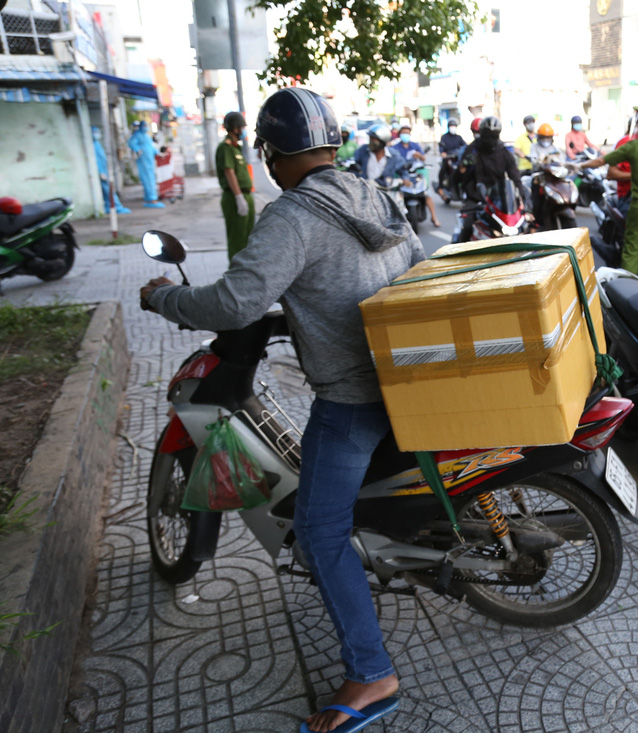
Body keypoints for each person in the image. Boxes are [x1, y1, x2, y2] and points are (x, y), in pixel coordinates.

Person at [140, 87, 417, 733]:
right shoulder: (374, 193)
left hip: (354, 394)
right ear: (333, 143)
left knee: (318, 531)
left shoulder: (293, 215)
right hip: (406, 377)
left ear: (270, 153)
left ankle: (372, 673)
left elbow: (235, 302)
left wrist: (164, 301)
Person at [574, 106, 638, 274]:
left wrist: (578, 165)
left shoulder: (634, 146)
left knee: (631, 248)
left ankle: (628, 284)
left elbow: (601, 162)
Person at [454, 116, 526, 242]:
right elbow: (457, 178)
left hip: (498, 199)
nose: (490, 139)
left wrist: (523, 200)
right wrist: (463, 166)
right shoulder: (471, 150)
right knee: (466, 227)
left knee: (525, 226)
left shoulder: (503, 152)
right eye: (488, 135)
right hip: (476, 198)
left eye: (494, 135)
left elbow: (515, 177)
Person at [216, 111, 256, 261]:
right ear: (234, 128)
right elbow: (229, 172)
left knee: (248, 238)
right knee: (237, 239)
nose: (243, 130)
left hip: (246, 195)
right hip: (234, 197)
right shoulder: (226, 148)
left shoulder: (236, 147)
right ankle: (235, 273)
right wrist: (239, 197)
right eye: (241, 127)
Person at [393, 125, 441, 227]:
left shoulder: (415, 146)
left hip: (415, 174)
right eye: (403, 133)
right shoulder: (395, 148)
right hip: (401, 175)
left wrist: (419, 155)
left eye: (407, 133)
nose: (405, 135)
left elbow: (423, 158)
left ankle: (434, 217)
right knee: (397, 195)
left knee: (427, 193)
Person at [91, 126, 131, 215]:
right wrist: (100, 172)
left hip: (105, 171)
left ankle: (114, 206)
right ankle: (114, 206)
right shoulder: (92, 146)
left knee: (109, 190)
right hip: (102, 173)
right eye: (95, 132)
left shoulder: (97, 144)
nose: (97, 134)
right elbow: (95, 161)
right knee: (108, 190)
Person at [127, 120, 164, 208]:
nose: (146, 127)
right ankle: (152, 199)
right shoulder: (137, 135)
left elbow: (150, 146)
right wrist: (137, 150)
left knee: (151, 179)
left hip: (150, 160)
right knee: (147, 180)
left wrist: (158, 152)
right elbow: (131, 143)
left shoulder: (147, 136)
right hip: (143, 160)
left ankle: (149, 198)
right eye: (144, 126)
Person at [437, 118, 467, 200]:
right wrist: (443, 153)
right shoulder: (444, 137)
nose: (453, 127)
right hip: (448, 159)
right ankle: (440, 187)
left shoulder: (458, 137)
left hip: (457, 160)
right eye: (451, 126)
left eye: (454, 126)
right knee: (443, 169)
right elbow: (441, 148)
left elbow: (465, 147)